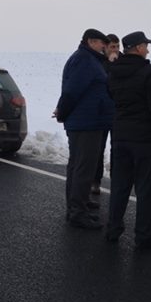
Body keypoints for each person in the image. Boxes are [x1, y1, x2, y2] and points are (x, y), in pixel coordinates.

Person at [105, 31, 151, 249]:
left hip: (121, 134)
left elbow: (112, 95)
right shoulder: (149, 72)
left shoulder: (113, 71)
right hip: (143, 137)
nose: (148, 49)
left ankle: (113, 229)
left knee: (120, 186)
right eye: (145, 45)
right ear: (138, 47)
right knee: (146, 189)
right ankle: (144, 235)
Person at [54, 29, 114, 229]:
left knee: (78, 166)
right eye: (101, 43)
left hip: (88, 121)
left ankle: (78, 204)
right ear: (91, 41)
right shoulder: (84, 61)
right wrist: (62, 112)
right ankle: (77, 211)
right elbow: (72, 91)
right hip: (85, 123)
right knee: (83, 168)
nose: (104, 46)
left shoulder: (90, 59)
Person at [91, 33, 122, 196]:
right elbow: (102, 81)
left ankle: (116, 180)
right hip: (102, 112)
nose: (115, 50)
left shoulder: (123, 61)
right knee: (99, 148)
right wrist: (110, 65)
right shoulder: (99, 62)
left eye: (117, 46)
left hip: (118, 112)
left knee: (116, 148)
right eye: (112, 47)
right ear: (105, 48)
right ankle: (95, 180)